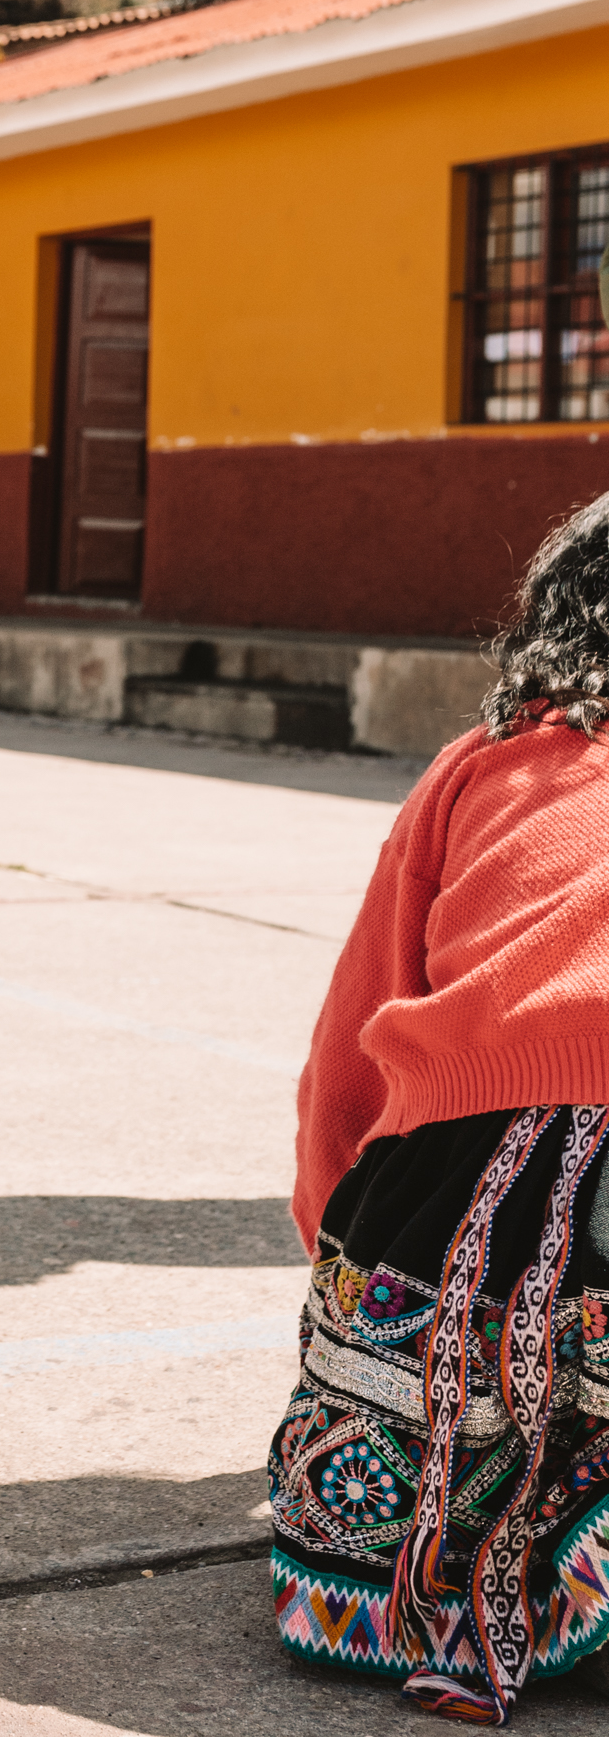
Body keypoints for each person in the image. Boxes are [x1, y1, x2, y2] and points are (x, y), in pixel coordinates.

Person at [269, 487, 609, 1723]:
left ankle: (439, 1557)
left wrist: (342, 1271)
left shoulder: (477, 768)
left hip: (446, 1196)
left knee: (366, 1497)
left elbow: (348, 1044)